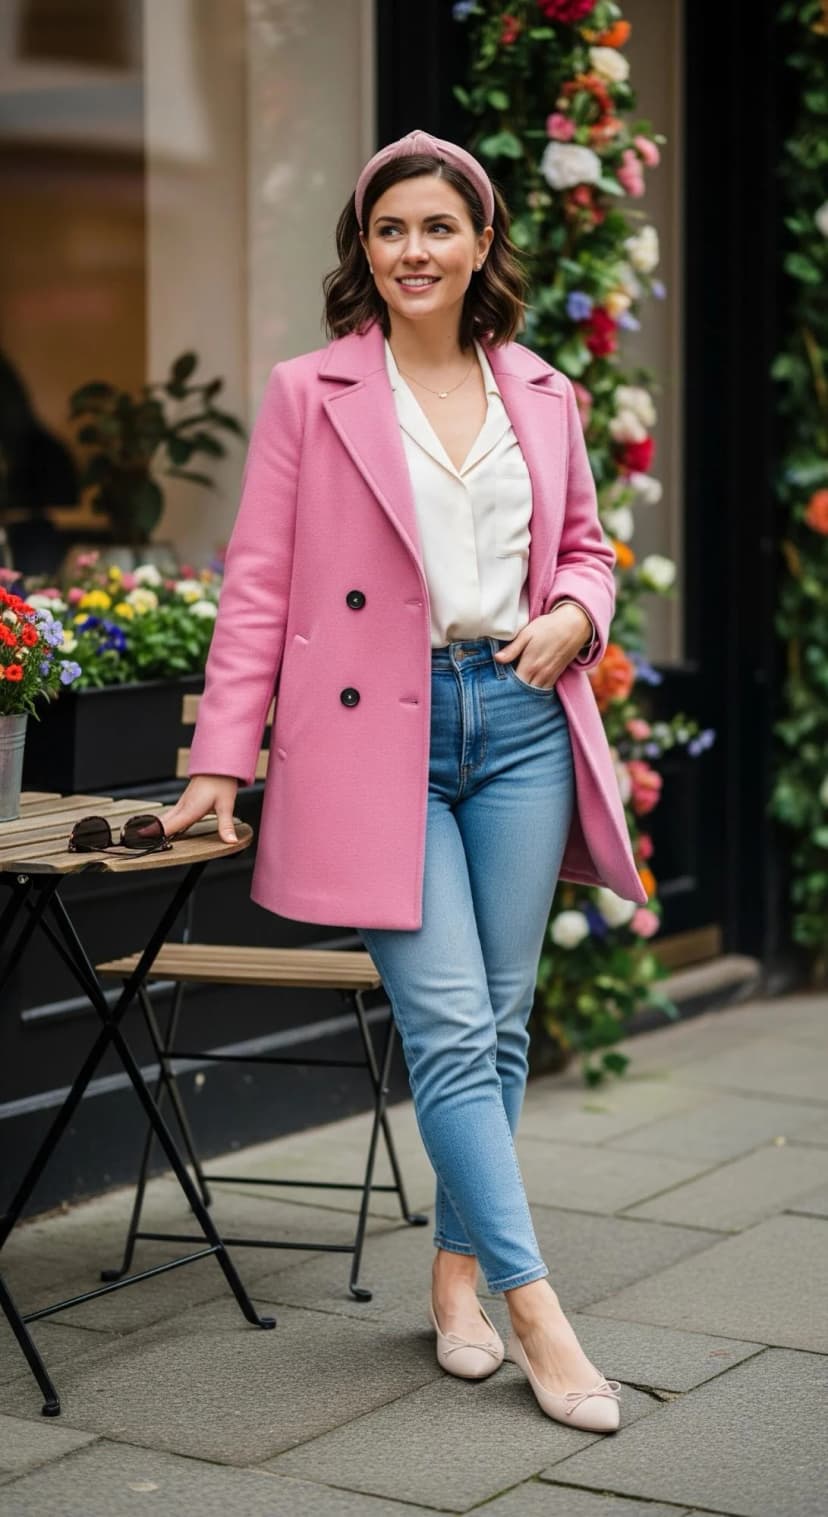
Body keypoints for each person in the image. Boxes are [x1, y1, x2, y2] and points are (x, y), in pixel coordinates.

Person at [163, 128, 648, 1434]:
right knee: (444, 1023)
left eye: (438, 227)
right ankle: (538, 1306)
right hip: (379, 730)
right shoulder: (308, 390)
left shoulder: (542, 392)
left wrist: (573, 618)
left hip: (521, 720)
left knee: (493, 1027)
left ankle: (453, 1282)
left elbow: (592, 554)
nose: (413, 251)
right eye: (390, 231)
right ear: (363, 251)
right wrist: (222, 753)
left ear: (481, 242)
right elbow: (257, 583)